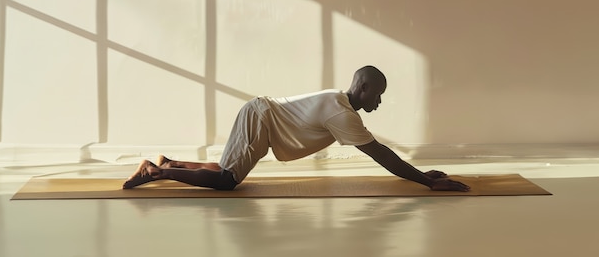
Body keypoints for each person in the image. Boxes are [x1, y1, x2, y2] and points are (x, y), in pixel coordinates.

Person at [123, 65, 470, 192]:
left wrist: (424, 175)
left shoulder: (339, 102)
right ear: (363, 89)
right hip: (260, 118)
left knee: (224, 171)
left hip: (262, 120)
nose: (379, 102)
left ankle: (169, 162)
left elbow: (382, 152)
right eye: (377, 95)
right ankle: (156, 172)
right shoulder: (343, 115)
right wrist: (426, 182)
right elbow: (380, 153)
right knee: (227, 182)